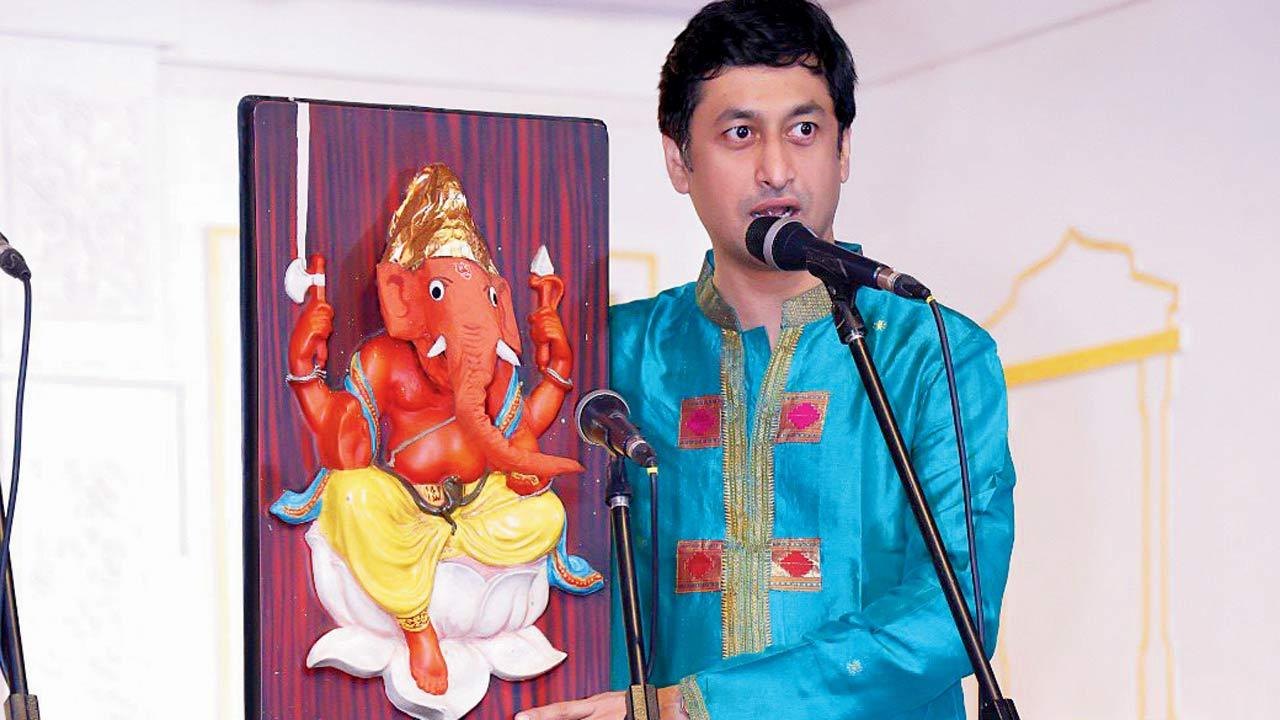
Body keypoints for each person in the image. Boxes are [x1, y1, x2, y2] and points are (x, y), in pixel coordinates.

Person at [518, 1, 1015, 718]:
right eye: (740, 133)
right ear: (678, 158)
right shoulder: (612, 354)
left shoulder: (932, 353)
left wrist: (696, 708)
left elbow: (954, 617)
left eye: (805, 130)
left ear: (843, 150)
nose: (777, 169)